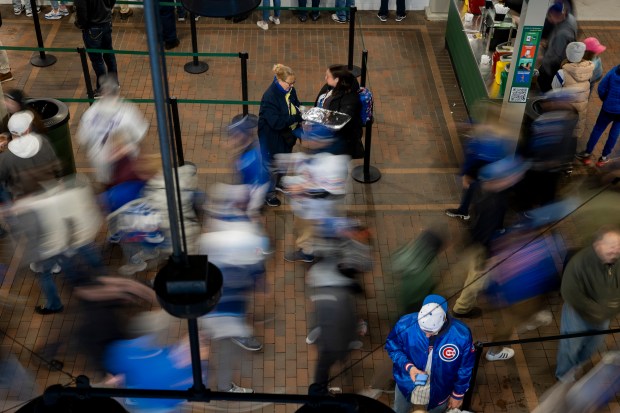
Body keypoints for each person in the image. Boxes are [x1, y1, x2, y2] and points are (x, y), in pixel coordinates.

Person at [385, 294, 475, 413]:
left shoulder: (461, 335)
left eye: (431, 331)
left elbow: (465, 367)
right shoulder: (404, 324)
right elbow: (393, 347)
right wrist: (409, 367)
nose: (427, 336)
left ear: (444, 319)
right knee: (398, 410)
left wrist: (458, 393)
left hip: (440, 390)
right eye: (424, 330)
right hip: (406, 383)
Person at [555, 225, 620, 382]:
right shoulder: (580, 263)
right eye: (611, 246)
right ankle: (564, 376)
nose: (615, 250)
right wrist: (596, 309)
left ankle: (577, 365)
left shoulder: (616, 262)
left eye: (618, 245)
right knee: (570, 347)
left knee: (592, 346)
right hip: (578, 315)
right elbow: (569, 291)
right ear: (598, 245)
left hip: (603, 317)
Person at [257, 63, 303, 207]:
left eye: (293, 83)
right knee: (270, 167)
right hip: (272, 139)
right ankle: (268, 194)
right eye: (289, 83)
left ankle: (279, 183)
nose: (291, 86)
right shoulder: (270, 97)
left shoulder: (289, 90)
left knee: (283, 162)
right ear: (279, 80)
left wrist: (300, 110)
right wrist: (298, 117)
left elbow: (295, 103)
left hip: (286, 137)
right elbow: (276, 123)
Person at [575, 65, 620, 167]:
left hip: (608, 108)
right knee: (614, 133)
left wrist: (605, 99)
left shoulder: (614, 72)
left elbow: (602, 88)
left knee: (598, 129)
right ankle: (603, 158)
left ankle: (587, 154)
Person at [314, 65, 363, 158]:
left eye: (328, 76)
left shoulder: (350, 99)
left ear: (337, 79)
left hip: (338, 141)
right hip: (326, 135)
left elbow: (341, 121)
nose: (325, 78)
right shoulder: (330, 86)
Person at [74, 0, 118, 95]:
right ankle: (114, 83)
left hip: (92, 26)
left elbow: (81, 9)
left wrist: (81, 24)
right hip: (106, 22)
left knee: (97, 60)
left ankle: (103, 88)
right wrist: (107, 10)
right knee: (109, 54)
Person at [551, 42, 594, 139]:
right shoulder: (588, 71)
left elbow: (555, 91)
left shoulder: (561, 73)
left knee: (562, 134)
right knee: (574, 132)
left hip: (565, 109)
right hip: (581, 108)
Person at [537, 0, 577, 93]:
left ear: (556, 15)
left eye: (550, 16)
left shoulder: (562, 34)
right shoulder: (570, 18)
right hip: (559, 62)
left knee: (545, 89)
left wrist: (541, 59)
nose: (549, 19)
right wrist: (549, 43)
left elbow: (555, 57)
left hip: (551, 70)